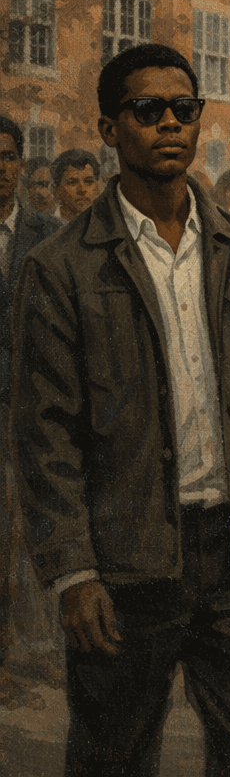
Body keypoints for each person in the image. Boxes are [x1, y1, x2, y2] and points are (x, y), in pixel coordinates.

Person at [11, 44, 230, 776]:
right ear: (107, 127)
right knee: (112, 759)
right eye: (146, 109)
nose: (169, 124)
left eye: (184, 110)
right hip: (126, 562)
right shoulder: (61, 266)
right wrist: (72, 571)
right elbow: (44, 436)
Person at [0, 118, 61, 704]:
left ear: (21, 163)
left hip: (38, 403)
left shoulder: (48, 233)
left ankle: (52, 651)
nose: (1, 167)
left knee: (47, 523)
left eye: (9, 156)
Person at [51, 148, 102, 222]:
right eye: (72, 182)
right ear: (56, 191)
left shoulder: (107, 227)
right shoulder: (47, 228)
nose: (82, 190)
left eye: (89, 182)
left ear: (97, 187)